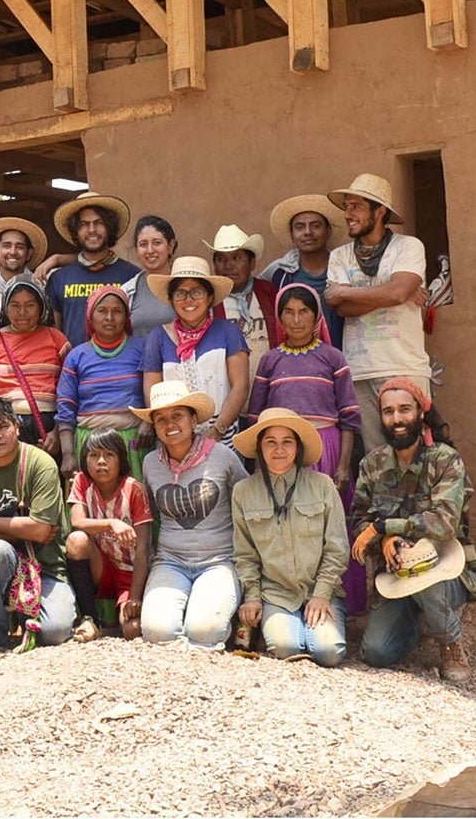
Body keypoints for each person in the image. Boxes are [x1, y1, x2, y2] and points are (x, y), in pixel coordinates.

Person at [350, 379, 476, 683]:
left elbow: (445, 522)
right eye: (388, 412)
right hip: (396, 574)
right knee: (376, 653)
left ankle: (450, 641)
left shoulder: (446, 460)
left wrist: (385, 527)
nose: (397, 419)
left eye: (404, 409)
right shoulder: (372, 465)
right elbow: (360, 521)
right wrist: (385, 540)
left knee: (426, 573)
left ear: (421, 412)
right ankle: (421, 620)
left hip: (445, 570)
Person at [247, 283, 365, 613]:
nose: (296, 320)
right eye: (288, 312)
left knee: (327, 525)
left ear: (315, 316)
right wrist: (260, 467)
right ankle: (289, 601)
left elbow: (348, 418)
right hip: (282, 451)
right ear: (279, 317)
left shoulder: (332, 358)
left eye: (304, 312)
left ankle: (337, 600)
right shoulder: (270, 361)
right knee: (285, 523)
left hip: (326, 452)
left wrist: (342, 465)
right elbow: (257, 418)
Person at [0, 397, 76, 655]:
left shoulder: (40, 463)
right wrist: (22, 527)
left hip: (47, 566)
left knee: (54, 632)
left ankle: (22, 613)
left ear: (17, 427)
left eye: (2, 426)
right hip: (4, 568)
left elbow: (43, 531)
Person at [131, 381, 246, 649]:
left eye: (177, 416)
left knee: (204, 632)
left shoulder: (222, 457)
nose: (169, 424)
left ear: (194, 419)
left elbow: (247, 504)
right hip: (170, 561)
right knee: (157, 632)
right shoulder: (150, 463)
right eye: (161, 419)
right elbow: (148, 517)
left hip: (219, 560)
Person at [232, 409, 349, 666]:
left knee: (329, 653)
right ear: (260, 448)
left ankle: (315, 629)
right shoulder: (243, 492)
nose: (279, 449)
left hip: (319, 591)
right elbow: (245, 554)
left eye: (287, 441)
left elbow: (337, 547)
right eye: (270, 442)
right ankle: (284, 629)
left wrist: (321, 594)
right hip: (275, 594)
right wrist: (252, 597)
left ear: (298, 447)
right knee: (285, 648)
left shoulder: (322, 485)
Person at [324, 174, 431, 453]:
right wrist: (396, 291)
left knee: (413, 451)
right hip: (359, 371)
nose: (348, 214)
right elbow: (341, 308)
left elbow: (395, 292)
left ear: (379, 211)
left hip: (404, 365)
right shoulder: (340, 256)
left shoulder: (408, 247)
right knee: (377, 457)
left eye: (356, 206)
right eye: (347, 206)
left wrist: (346, 291)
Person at [141, 257, 249, 448]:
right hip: (174, 438)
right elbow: (153, 393)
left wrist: (216, 432)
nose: (188, 300)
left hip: (222, 437)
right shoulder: (158, 338)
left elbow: (240, 386)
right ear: (171, 300)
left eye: (197, 292)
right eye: (180, 293)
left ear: (209, 298)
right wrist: (176, 431)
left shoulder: (227, 331)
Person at [66, 429, 152, 643]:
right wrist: (112, 524)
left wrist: (134, 597)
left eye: (109, 455)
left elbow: (142, 551)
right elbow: (77, 522)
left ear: (120, 459)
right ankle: (91, 618)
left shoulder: (134, 489)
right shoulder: (83, 481)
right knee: (76, 540)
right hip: (101, 565)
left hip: (129, 571)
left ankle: (119, 615)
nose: (101, 462)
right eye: (94, 455)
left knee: (132, 630)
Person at [55, 286, 148, 483]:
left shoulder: (143, 349)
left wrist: (148, 422)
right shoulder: (76, 356)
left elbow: (155, 393)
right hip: (90, 446)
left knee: (133, 507)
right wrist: (68, 453)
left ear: (126, 317)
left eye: (117, 311)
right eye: (102, 311)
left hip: (132, 443)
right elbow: (65, 407)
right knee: (90, 509)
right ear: (90, 316)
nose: (109, 317)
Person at [0, 278, 68, 455]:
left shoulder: (57, 339)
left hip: (48, 431)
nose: (22, 312)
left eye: (29, 305)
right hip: (1, 428)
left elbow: (70, 391)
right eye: (14, 305)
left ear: (41, 306)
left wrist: (58, 433)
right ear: (5, 307)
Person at [45, 192, 140, 347]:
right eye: (84, 224)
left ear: (109, 227)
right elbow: (53, 336)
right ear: (75, 231)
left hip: (121, 367)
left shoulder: (132, 276)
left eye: (99, 222)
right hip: (75, 367)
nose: (92, 230)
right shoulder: (59, 279)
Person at [205, 224, 279, 414]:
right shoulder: (209, 301)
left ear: (252, 263)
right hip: (227, 402)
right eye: (221, 259)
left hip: (270, 395)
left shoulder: (269, 293)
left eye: (237, 258)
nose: (229, 265)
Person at [262, 194, 345, 347]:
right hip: (295, 362)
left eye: (316, 225)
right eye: (299, 227)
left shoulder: (344, 269)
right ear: (292, 235)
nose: (307, 232)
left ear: (328, 231)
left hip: (342, 359)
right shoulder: (279, 273)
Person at [0, 217, 48, 330]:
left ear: (29, 254)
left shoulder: (44, 285)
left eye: (20, 247)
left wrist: (57, 259)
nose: (13, 252)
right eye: (7, 246)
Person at [121, 215, 180, 338]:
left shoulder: (186, 285)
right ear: (137, 250)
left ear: (170, 246)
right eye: (143, 244)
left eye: (157, 243)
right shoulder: (127, 291)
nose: (150, 250)